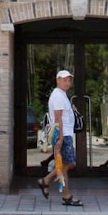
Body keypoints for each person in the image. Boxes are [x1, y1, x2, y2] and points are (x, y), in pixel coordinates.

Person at [37, 69, 83, 206]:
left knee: (65, 165)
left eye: (69, 80)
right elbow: (58, 119)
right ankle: (64, 195)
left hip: (65, 134)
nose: (67, 82)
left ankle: (47, 182)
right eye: (64, 80)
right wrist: (60, 138)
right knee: (65, 165)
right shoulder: (57, 96)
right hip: (63, 134)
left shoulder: (62, 95)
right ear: (57, 80)